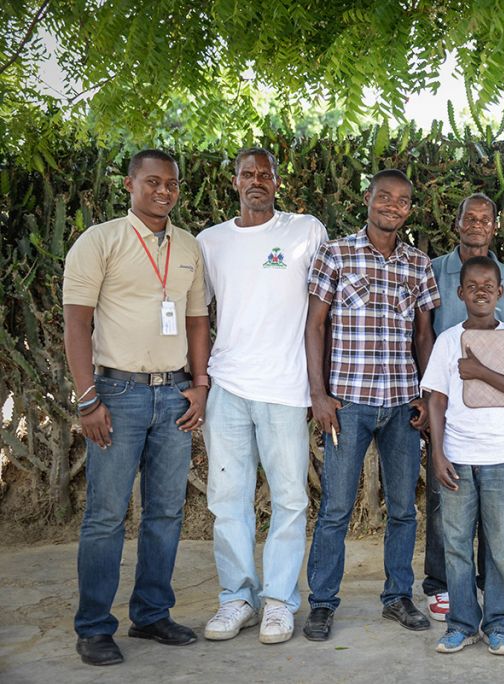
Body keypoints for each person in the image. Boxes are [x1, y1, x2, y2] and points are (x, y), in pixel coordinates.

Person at [63, 149, 210, 666]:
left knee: (166, 512)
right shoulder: (100, 241)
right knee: (105, 516)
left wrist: (200, 385)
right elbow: (76, 322)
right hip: (117, 396)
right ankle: (95, 627)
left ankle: (151, 614)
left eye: (171, 183)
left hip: (174, 395)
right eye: (153, 182)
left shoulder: (188, 247)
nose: (164, 191)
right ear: (130, 185)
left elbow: (196, 322)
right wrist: (87, 400)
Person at [197, 148, 327, 644]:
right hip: (226, 386)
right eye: (247, 174)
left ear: (277, 181)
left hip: (285, 387)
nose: (256, 181)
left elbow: (324, 308)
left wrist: (321, 386)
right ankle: (236, 599)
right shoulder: (211, 242)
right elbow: (198, 315)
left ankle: (278, 602)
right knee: (227, 499)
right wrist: (201, 380)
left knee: (290, 498)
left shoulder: (305, 230)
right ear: (234, 182)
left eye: (265, 174)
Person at [303, 169, 440, 641]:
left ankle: (398, 596)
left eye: (402, 201)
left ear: (408, 210)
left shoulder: (417, 264)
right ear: (369, 198)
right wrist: (318, 394)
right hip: (347, 404)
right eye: (384, 197)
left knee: (404, 508)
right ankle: (321, 602)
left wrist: (426, 393)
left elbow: (424, 334)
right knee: (336, 508)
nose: (392, 206)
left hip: (402, 404)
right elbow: (314, 326)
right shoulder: (336, 253)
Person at [422, 256, 504, 656]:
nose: (480, 291)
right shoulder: (446, 341)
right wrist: (437, 453)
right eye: (471, 286)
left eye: (488, 285)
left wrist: (480, 371)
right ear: (459, 293)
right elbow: (435, 401)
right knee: (456, 545)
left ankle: (500, 624)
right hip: (457, 455)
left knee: (500, 546)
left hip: (500, 457)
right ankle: (462, 624)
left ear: (501, 292)